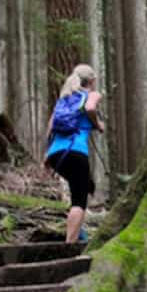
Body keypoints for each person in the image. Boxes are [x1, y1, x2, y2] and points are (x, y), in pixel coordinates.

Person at [45, 64, 104, 244]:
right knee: (79, 201)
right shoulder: (92, 95)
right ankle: (69, 245)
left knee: (78, 189)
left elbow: (50, 128)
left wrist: (46, 155)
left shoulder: (64, 99)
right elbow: (90, 109)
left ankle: (79, 234)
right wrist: (98, 124)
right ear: (92, 81)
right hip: (75, 152)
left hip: (56, 155)